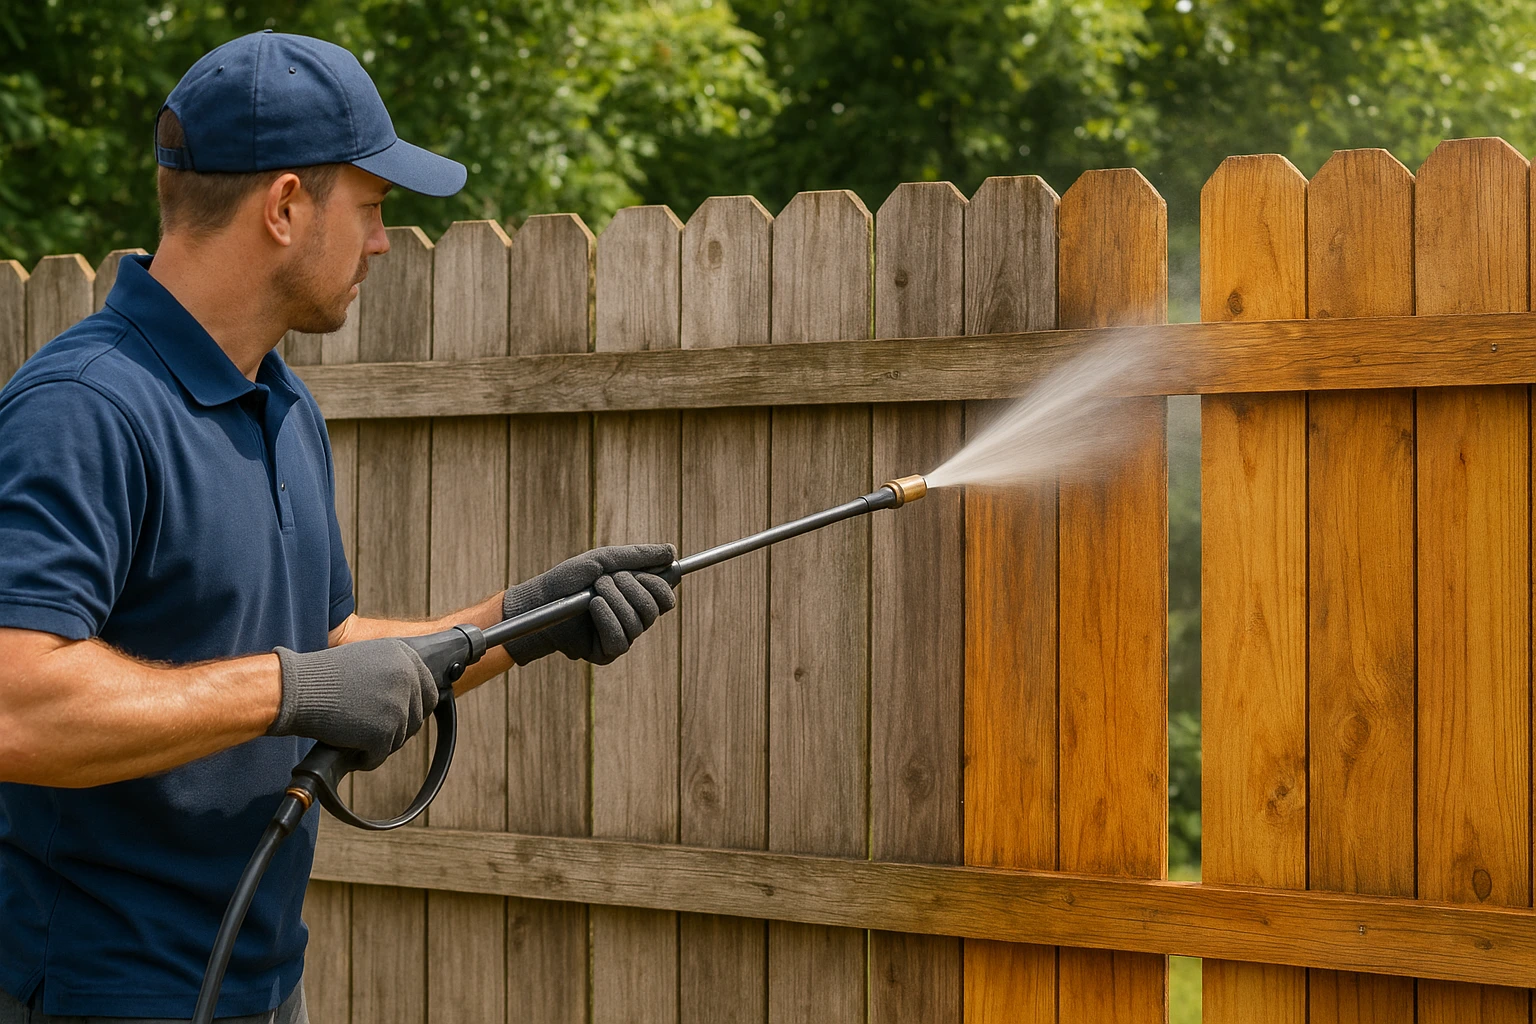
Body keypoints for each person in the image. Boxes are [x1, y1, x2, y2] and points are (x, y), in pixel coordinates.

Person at [0, 31, 676, 1024]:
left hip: (264, 988)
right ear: (283, 206)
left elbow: (328, 649)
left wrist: (517, 622)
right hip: (100, 994)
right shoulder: (85, 406)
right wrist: (291, 687)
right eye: (370, 207)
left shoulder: (279, 404)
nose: (380, 241)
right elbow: (17, 706)